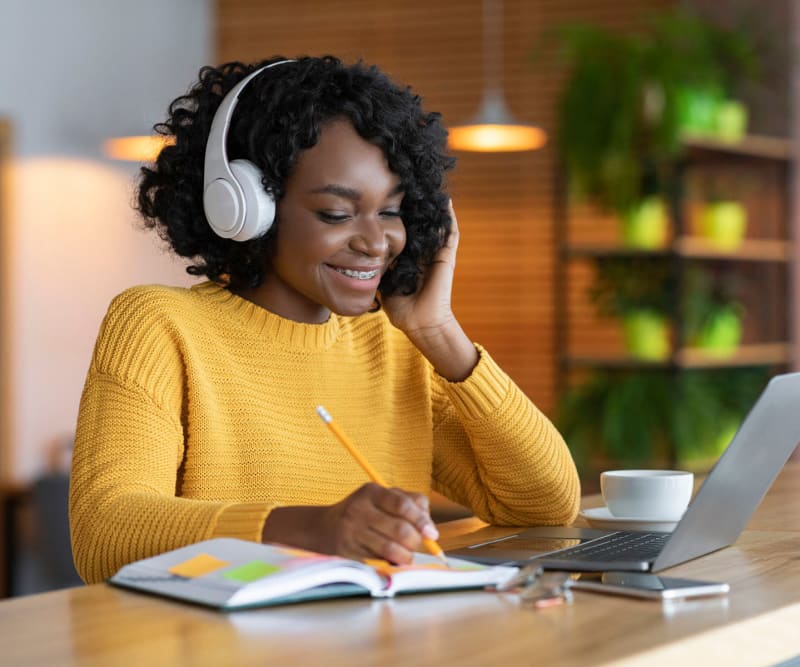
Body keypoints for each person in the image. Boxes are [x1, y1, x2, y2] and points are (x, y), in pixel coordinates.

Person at [69, 56, 581, 584]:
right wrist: (313, 530)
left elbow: (545, 505)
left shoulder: (394, 343)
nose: (376, 241)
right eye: (337, 214)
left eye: (391, 211)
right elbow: (105, 534)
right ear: (246, 207)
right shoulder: (159, 325)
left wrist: (440, 333)